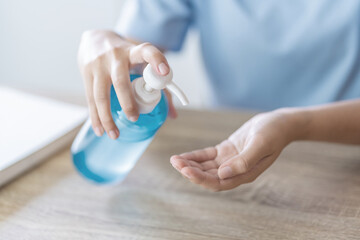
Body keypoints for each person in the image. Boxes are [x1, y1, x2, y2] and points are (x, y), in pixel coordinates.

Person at [77, 0, 360, 191]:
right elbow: (137, 53)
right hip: (224, 141)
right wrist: (107, 45)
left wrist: (294, 123)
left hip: (343, 162)